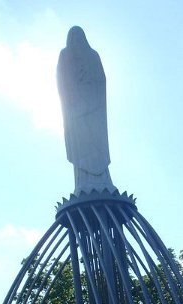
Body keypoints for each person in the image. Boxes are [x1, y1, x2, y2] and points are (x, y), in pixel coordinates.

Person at [57, 26, 117, 196]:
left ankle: (102, 181)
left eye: (79, 36)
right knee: (81, 145)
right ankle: (83, 181)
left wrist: (89, 95)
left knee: (95, 142)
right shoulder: (65, 55)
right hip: (75, 112)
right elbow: (62, 83)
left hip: (93, 109)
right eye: (72, 37)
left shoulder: (93, 55)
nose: (76, 40)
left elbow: (101, 81)